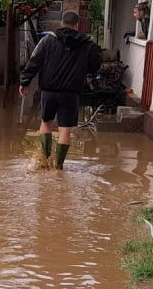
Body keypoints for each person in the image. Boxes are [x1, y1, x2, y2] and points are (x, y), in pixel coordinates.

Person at [18, 10, 102, 170]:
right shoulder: (88, 44)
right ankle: (58, 166)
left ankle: (45, 160)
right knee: (65, 130)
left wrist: (24, 82)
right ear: (77, 25)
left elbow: (34, 61)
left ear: (61, 23)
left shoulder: (48, 40)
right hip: (71, 93)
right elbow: (95, 65)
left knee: (46, 123)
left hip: (49, 91)